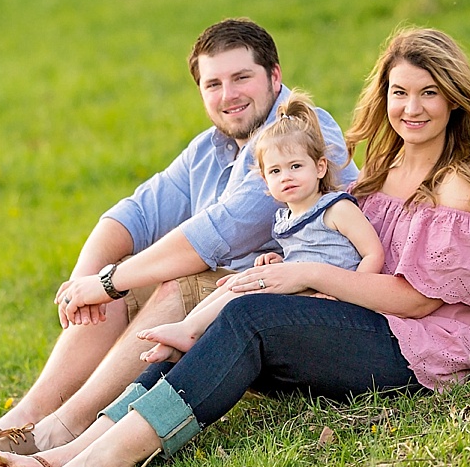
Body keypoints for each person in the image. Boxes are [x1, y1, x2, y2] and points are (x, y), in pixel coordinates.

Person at [0, 27, 470, 467]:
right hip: (364, 320)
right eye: (400, 93)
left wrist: (307, 278)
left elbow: (420, 300)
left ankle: (112, 460)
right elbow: (342, 247)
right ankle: (79, 446)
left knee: (250, 317)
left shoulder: (464, 183)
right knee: (228, 309)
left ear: (455, 101)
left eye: (429, 93)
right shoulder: (385, 165)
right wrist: (286, 265)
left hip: (418, 353)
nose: (412, 108)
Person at [0, 19, 356, 467]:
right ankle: (22, 422)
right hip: (241, 298)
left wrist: (107, 283)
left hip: (303, 310)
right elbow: (136, 213)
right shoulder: (211, 148)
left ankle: (60, 432)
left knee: (171, 284)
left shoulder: (300, 136)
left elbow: (218, 234)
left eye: (241, 78)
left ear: (274, 76)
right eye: (213, 83)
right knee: (121, 273)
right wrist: (85, 280)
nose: (228, 95)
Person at [134, 89, 383, 365]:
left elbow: (373, 253)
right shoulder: (285, 219)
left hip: (335, 299)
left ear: (320, 167)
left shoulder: (336, 208)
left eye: (296, 166)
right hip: (306, 289)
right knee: (240, 281)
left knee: (253, 288)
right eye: (275, 171)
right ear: (265, 180)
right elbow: (305, 256)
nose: (286, 177)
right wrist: (279, 260)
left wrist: (351, 295)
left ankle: (190, 331)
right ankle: (189, 327)